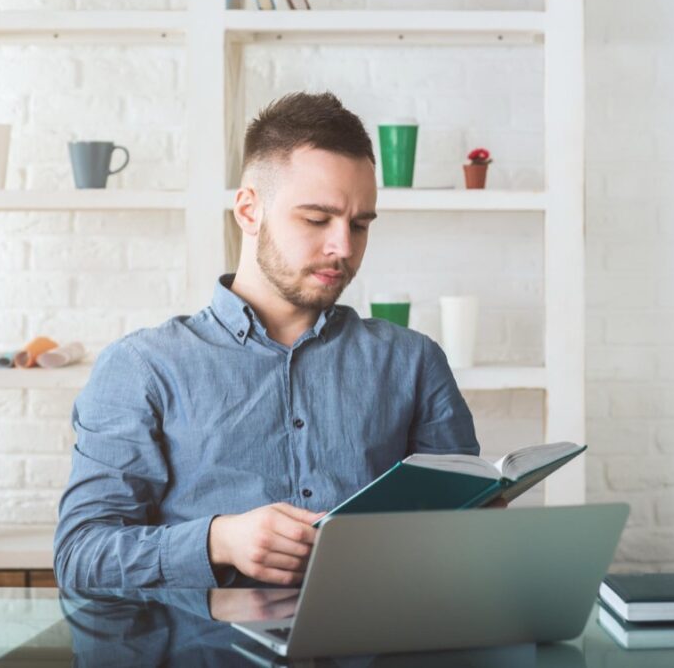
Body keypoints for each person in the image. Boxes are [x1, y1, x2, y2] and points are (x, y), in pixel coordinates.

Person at [54, 91, 483, 590]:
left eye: (360, 225)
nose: (342, 247)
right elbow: (81, 556)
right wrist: (219, 541)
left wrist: (479, 523)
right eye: (317, 220)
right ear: (249, 210)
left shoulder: (413, 362)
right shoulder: (143, 367)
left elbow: (461, 538)